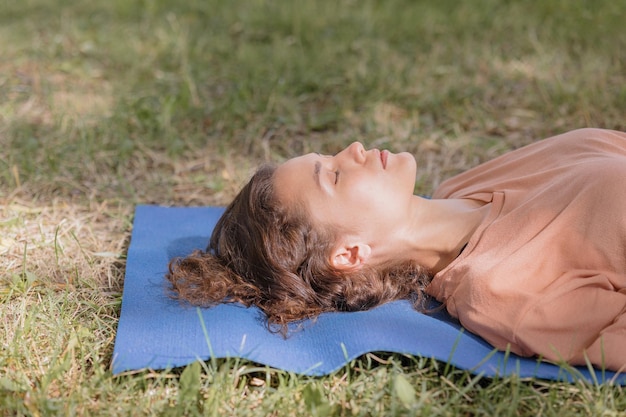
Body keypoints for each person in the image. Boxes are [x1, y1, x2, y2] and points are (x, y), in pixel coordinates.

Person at [167, 128, 626, 372]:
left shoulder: (467, 186)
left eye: (329, 157)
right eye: (334, 174)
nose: (353, 148)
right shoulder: (505, 288)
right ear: (349, 254)